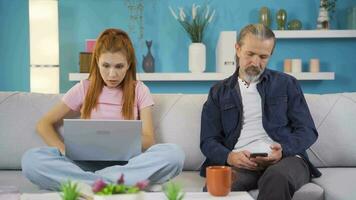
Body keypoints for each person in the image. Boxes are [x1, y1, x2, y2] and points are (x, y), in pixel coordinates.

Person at [21, 28, 185, 191]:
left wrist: (118, 138)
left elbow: (149, 140)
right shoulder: (84, 88)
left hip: (127, 165)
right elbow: (44, 124)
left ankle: (91, 183)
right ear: (97, 61)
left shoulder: (140, 90)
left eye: (119, 66)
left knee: (174, 154)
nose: (112, 74)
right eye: (105, 65)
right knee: (31, 160)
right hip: (82, 165)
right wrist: (64, 150)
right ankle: (122, 183)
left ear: (129, 64)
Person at [200, 24, 321, 200]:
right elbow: (208, 140)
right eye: (250, 54)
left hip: (286, 160)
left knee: (277, 177)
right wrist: (230, 157)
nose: (256, 63)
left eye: (263, 56)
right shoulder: (218, 92)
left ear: (270, 55)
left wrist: (283, 150)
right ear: (238, 49)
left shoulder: (287, 84)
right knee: (218, 185)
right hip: (241, 164)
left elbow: (308, 130)